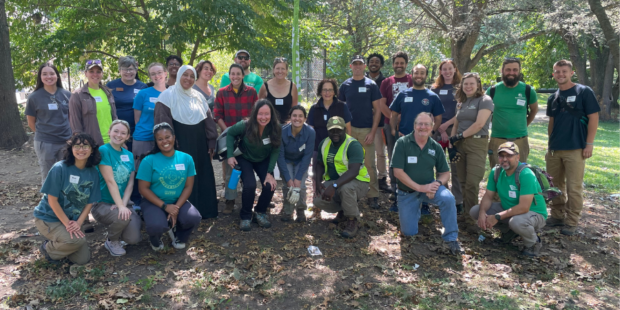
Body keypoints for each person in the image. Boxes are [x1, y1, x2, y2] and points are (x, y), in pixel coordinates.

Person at [391, 113, 462, 254]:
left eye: (427, 124)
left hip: (429, 187)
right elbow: (397, 172)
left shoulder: (435, 147)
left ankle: (451, 238)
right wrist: (420, 188)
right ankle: (414, 210)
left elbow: (445, 173)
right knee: (408, 232)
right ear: (414, 126)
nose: (423, 127)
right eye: (420, 124)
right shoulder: (402, 143)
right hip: (407, 192)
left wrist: (436, 184)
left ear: (432, 127)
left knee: (448, 198)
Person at [154, 65, 219, 219]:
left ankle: (204, 211)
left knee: (200, 174)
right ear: (179, 76)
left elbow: (208, 121)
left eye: (192, 76)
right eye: (185, 75)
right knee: (181, 176)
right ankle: (183, 213)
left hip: (199, 144)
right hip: (178, 144)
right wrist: (169, 147)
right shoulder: (166, 96)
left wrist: (211, 142)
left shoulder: (198, 96)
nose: (188, 79)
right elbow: (162, 125)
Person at [545, 59, 600, 236]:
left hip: (576, 147)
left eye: (564, 71)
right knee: (554, 185)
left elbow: (593, 117)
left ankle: (571, 221)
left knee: (574, 187)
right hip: (555, 149)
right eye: (557, 72)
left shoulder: (583, 91)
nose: (560, 74)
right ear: (553, 74)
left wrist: (589, 143)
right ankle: (557, 216)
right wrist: (549, 144)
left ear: (571, 73)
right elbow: (552, 122)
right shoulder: (552, 97)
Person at [469, 142, 547, 257]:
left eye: (509, 156)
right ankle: (509, 232)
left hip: (534, 213)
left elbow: (524, 207)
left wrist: (497, 216)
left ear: (518, 157)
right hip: (509, 209)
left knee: (517, 222)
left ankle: (533, 243)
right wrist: (482, 212)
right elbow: (488, 196)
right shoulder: (496, 172)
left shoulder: (526, 174)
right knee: (475, 211)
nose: (504, 159)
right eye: (501, 156)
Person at [34, 133, 101, 265]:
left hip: (73, 221)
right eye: (77, 146)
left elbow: (89, 202)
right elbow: (52, 201)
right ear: (71, 148)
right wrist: (68, 225)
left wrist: (79, 223)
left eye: (85, 146)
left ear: (92, 149)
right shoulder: (60, 168)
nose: (81, 149)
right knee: (76, 241)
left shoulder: (93, 172)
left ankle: (62, 245)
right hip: (49, 218)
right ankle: (48, 249)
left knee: (82, 259)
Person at [138, 123, 202, 250]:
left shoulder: (186, 158)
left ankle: (180, 236)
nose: (165, 141)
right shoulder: (148, 160)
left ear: (174, 137)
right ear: (156, 141)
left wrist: (176, 208)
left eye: (167, 137)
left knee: (193, 218)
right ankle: (155, 239)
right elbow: (143, 188)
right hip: (154, 202)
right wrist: (165, 206)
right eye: (160, 139)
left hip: (177, 201)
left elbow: (188, 187)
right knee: (156, 226)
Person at [389, 64, 444, 213]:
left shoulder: (432, 96)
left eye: (422, 73)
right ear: (411, 75)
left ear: (426, 75)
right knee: (400, 170)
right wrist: (394, 130)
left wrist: (430, 133)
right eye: (416, 73)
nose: (419, 75)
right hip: (405, 140)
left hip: (424, 141)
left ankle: (425, 202)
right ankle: (397, 200)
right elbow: (393, 114)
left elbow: (438, 117)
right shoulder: (403, 94)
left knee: (424, 170)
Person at [226, 100, 281, 231]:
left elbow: (275, 150)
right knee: (250, 185)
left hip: (263, 159)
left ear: (271, 114)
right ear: (255, 114)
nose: (263, 117)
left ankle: (260, 212)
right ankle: (245, 216)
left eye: (267, 114)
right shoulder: (245, 125)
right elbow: (230, 133)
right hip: (245, 158)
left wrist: (269, 172)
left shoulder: (276, 127)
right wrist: (230, 155)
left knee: (270, 185)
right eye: (260, 114)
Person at [313, 116, 370, 238]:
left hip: (358, 182)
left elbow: (354, 171)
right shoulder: (324, 143)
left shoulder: (353, 145)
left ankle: (352, 220)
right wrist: (318, 182)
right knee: (317, 200)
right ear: (327, 130)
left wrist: (334, 186)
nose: (335, 133)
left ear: (345, 129)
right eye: (332, 130)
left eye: (338, 130)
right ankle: (344, 210)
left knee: (346, 188)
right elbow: (319, 165)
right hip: (336, 182)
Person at [338, 55, 383, 209]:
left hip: (366, 131)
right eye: (354, 64)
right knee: (349, 164)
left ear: (365, 67)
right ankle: (352, 194)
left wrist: (373, 131)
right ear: (351, 66)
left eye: (360, 64)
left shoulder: (372, 85)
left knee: (370, 164)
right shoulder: (345, 85)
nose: (357, 67)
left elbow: (378, 110)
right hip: (348, 131)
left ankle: (373, 195)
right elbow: (340, 109)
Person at [449, 73, 493, 225]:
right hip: (460, 144)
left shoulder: (485, 100)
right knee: (462, 181)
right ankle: (467, 215)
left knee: (472, 182)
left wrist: (459, 137)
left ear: (478, 85)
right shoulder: (461, 102)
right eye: (465, 84)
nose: (468, 86)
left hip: (476, 144)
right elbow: (455, 124)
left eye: (471, 83)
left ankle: (472, 219)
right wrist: (452, 144)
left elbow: (479, 124)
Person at [91, 120, 142, 256]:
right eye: (116, 131)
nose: (119, 135)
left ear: (127, 137)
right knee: (123, 217)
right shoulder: (104, 150)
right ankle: (111, 240)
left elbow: (130, 184)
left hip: (123, 203)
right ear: (109, 132)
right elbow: (110, 180)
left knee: (133, 239)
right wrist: (120, 206)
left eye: (123, 133)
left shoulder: (129, 155)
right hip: (103, 203)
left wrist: (123, 205)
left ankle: (120, 228)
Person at [214, 64, 259, 214]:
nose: (235, 77)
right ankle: (230, 200)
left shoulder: (251, 92)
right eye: (232, 74)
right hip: (229, 137)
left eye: (238, 74)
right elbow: (217, 115)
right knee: (230, 171)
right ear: (229, 75)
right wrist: (228, 130)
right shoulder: (221, 93)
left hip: (248, 137)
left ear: (242, 75)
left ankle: (248, 199)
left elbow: (257, 114)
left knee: (247, 169)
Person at [306, 79, 353, 219]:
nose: (327, 93)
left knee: (338, 175)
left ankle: (342, 207)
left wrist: (345, 148)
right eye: (324, 90)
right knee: (317, 177)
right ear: (320, 91)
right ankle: (317, 207)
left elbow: (348, 129)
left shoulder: (342, 107)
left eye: (330, 90)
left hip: (338, 148)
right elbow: (310, 130)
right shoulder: (314, 108)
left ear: (335, 92)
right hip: (318, 148)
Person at [486, 57, 538, 168]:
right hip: (497, 140)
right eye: (508, 70)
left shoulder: (528, 90)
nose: (511, 73)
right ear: (502, 70)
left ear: (519, 71)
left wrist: (523, 125)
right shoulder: (492, 90)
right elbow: (486, 112)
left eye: (515, 70)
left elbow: (534, 110)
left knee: (519, 173)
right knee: (497, 174)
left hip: (520, 140)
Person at [26, 63, 73, 184]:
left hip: (65, 141)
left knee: (66, 173)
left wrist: (70, 137)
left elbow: (71, 119)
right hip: (45, 143)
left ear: (57, 76)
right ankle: (48, 202)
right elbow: (31, 122)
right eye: (44, 74)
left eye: (52, 73)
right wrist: (45, 135)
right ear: (40, 77)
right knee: (48, 175)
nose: (49, 77)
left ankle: (64, 201)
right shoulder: (34, 97)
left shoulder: (67, 95)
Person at [379, 51, 412, 209]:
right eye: (396, 63)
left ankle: (410, 188)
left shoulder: (412, 80)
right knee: (393, 156)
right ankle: (395, 189)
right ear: (393, 65)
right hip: (389, 125)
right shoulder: (387, 82)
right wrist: (393, 119)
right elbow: (382, 104)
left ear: (406, 64)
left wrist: (403, 119)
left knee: (410, 157)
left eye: (402, 63)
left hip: (409, 126)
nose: (399, 66)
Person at [431, 59, 463, 213]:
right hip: (437, 130)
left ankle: (458, 200)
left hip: (455, 130)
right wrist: (440, 129)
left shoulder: (461, 88)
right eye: (444, 69)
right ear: (440, 71)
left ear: (455, 69)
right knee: (439, 165)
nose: (447, 72)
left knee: (456, 165)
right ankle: (442, 196)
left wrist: (447, 126)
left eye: (450, 68)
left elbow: (462, 111)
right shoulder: (435, 89)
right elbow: (431, 111)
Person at [277, 106, 315, 222]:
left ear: (305, 118)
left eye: (300, 116)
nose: (297, 118)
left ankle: (300, 210)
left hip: (301, 161)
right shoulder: (282, 131)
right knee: (288, 186)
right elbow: (280, 157)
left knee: (301, 185)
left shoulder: (310, 132)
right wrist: (288, 178)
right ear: (290, 117)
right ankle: (288, 211)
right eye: (294, 115)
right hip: (286, 160)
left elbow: (307, 156)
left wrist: (298, 178)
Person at [69, 59, 118, 147]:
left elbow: (114, 117)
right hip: (92, 143)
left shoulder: (108, 93)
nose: (95, 74)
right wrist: (81, 144)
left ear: (102, 74)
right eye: (91, 71)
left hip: (111, 142)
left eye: (98, 71)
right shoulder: (78, 95)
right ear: (85, 73)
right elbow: (76, 125)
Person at [106, 56, 147, 151]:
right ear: (119, 70)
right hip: (117, 132)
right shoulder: (111, 86)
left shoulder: (142, 87)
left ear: (136, 70)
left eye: (131, 69)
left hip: (136, 131)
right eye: (124, 69)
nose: (128, 72)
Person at [365, 53, 390, 194]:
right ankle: (365, 179)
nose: (374, 63)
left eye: (377, 62)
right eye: (371, 61)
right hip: (363, 123)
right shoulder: (362, 79)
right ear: (367, 64)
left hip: (380, 123)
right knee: (363, 153)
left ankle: (382, 179)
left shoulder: (385, 81)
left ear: (381, 65)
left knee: (380, 153)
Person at [259, 57, 299, 124]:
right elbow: (259, 109)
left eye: (283, 69)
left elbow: (294, 110)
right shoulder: (265, 87)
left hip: (287, 127)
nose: (280, 71)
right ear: (273, 70)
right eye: (277, 68)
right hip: (269, 126)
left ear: (286, 71)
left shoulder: (292, 87)